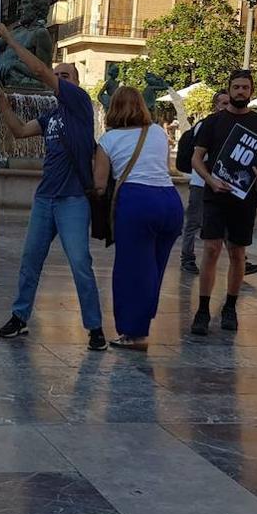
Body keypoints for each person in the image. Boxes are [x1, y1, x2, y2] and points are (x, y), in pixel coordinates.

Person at [0, 20, 106, 350]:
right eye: (60, 76)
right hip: (45, 199)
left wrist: (11, 41)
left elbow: (41, 71)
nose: (60, 80)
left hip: (72, 200)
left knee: (80, 264)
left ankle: (95, 328)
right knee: (30, 261)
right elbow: (19, 132)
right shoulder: (52, 116)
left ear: (76, 82)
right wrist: (4, 106)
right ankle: (20, 317)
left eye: (65, 76)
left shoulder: (81, 104)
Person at [190, 69, 257, 335]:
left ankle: (230, 306)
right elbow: (196, 159)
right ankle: (203, 309)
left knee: (238, 253)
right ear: (229, 89)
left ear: (252, 91)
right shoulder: (212, 122)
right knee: (211, 250)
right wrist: (210, 180)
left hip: (245, 197)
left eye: (245, 87)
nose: (240, 91)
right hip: (216, 195)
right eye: (236, 87)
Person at [93, 86, 184, 349]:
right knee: (154, 269)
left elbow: (99, 185)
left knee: (131, 271)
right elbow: (166, 168)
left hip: (137, 202)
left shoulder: (107, 141)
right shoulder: (156, 131)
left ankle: (134, 334)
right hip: (170, 201)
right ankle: (143, 321)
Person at [182, 91, 257, 276]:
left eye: (229, 102)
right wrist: (210, 178)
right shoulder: (207, 124)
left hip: (230, 184)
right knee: (195, 222)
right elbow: (197, 156)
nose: (228, 105)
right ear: (216, 105)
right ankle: (187, 258)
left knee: (229, 224)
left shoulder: (239, 125)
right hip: (202, 183)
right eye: (223, 103)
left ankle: (240, 260)